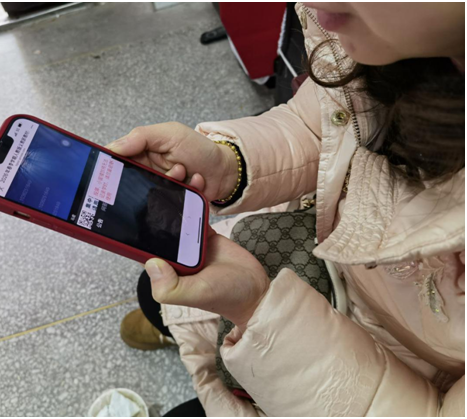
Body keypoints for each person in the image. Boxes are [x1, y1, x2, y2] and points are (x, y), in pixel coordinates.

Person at [108, 2, 465, 416]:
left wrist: (259, 312)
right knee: (153, 291)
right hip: (336, 264)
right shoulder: (390, 42)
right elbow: (321, 124)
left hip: (384, 377)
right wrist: (228, 164)